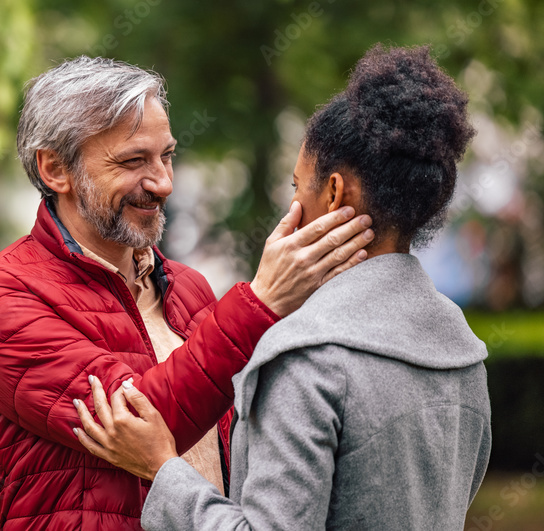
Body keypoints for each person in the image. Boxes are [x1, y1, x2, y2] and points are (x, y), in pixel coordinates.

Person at [72, 45, 492, 530]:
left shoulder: (307, 357)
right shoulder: (463, 352)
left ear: (334, 193)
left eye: (298, 187)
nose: (292, 202)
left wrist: (162, 470)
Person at [0, 56, 374, 530]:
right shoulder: (2, 298)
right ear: (55, 169)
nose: (163, 183)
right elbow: (140, 425)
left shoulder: (191, 289)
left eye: (167, 156)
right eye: (133, 161)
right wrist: (262, 301)